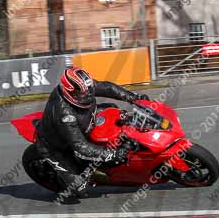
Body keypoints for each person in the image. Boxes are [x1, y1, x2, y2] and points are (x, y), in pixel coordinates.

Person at [35, 66, 149, 198]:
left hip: (84, 122)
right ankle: (75, 173)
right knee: (79, 188)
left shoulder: (83, 86)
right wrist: (112, 154)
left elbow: (107, 88)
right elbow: (80, 146)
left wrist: (134, 97)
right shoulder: (64, 114)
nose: (87, 95)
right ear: (69, 92)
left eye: (88, 90)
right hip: (57, 147)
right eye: (81, 94)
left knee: (113, 110)